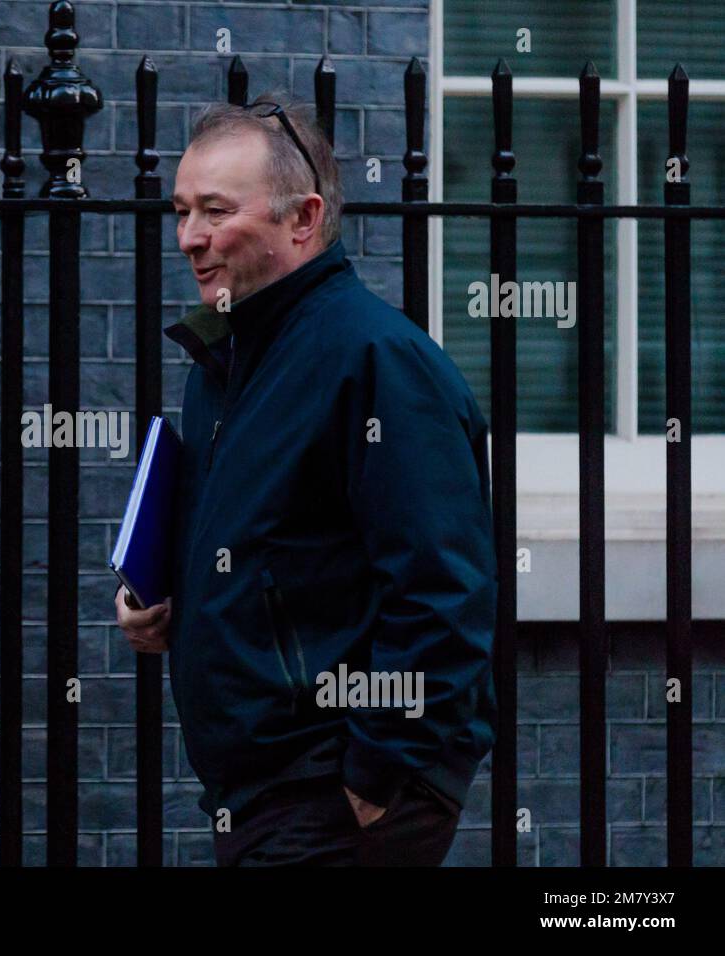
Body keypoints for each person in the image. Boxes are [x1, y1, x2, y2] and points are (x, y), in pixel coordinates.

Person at [115, 92, 497, 866]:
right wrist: (165, 604)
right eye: (182, 211)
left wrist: (378, 773)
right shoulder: (225, 359)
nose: (190, 238)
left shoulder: (376, 361)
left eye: (216, 211)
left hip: (335, 787)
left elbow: (443, 592)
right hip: (264, 789)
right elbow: (274, 550)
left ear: (303, 218)